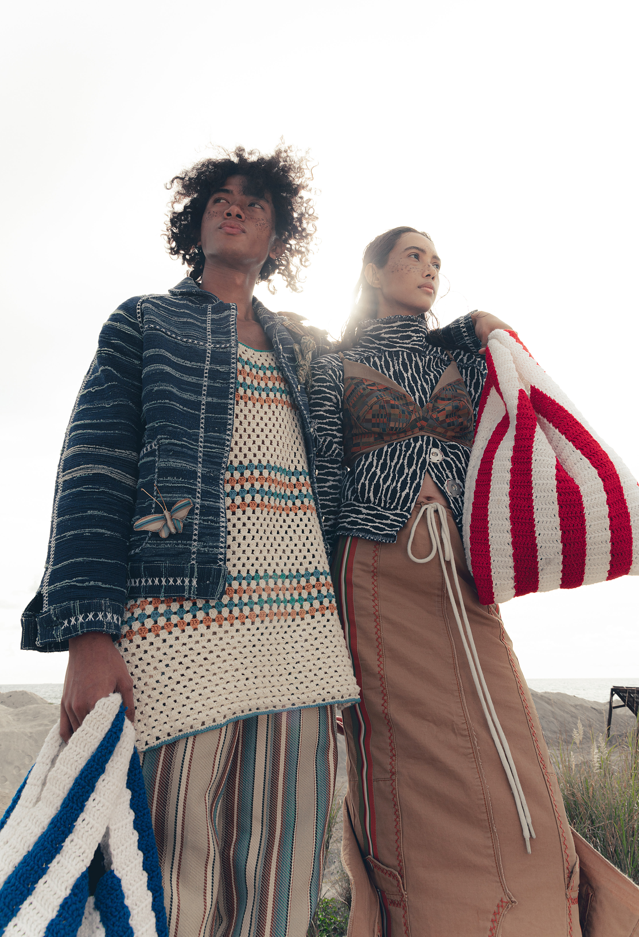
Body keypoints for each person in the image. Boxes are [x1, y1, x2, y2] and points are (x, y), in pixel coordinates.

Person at [20, 158, 490, 937]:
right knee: (159, 872)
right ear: (196, 223)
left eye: (255, 205)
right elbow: (93, 472)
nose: (235, 211)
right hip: (177, 629)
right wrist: (88, 634)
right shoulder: (144, 322)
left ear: (278, 237)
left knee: (281, 874)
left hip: (304, 643)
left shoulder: (306, 348)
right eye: (219, 201)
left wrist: (478, 328)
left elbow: (391, 351)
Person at [309, 226, 583, 937]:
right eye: (413, 258)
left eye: (436, 262)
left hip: (465, 568)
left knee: (511, 744)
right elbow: (319, 488)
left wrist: (482, 319)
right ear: (371, 272)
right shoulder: (330, 369)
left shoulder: (461, 353)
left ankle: (537, 912)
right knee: (400, 761)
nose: (430, 271)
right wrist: (324, 629)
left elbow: (519, 402)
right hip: (373, 567)